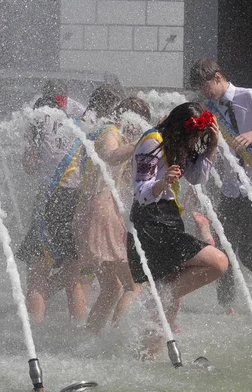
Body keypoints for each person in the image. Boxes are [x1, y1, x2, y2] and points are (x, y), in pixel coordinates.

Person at [189, 58, 252, 312]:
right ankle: (227, 305)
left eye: (205, 87)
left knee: (249, 252)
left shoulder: (250, 97)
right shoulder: (210, 110)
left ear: (217, 77)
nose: (204, 94)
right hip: (230, 187)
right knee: (224, 251)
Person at [126, 102, 228, 355]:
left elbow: (196, 178)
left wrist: (212, 147)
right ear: (179, 129)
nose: (195, 141)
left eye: (199, 137)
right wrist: (162, 183)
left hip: (169, 217)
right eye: (193, 135)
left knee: (172, 303)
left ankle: (149, 355)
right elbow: (140, 192)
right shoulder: (153, 141)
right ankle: (158, 299)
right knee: (218, 262)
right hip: (150, 221)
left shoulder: (179, 144)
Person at [73, 96, 149, 334]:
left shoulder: (107, 132)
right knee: (134, 284)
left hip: (94, 210)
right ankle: (120, 340)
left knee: (110, 288)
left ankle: (91, 338)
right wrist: (141, 142)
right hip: (102, 212)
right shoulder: (109, 132)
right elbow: (110, 155)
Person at [16, 79, 86, 323]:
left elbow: (30, 166)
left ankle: (34, 333)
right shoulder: (81, 119)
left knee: (37, 275)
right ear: (65, 96)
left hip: (49, 199)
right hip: (77, 199)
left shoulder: (36, 120)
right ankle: (78, 334)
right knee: (73, 278)